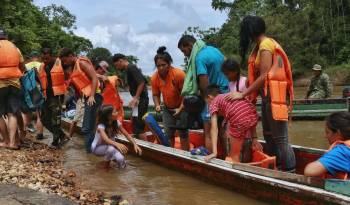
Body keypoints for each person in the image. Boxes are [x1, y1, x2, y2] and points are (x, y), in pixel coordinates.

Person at [227, 16, 296, 171]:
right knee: (269, 135)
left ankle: (291, 171)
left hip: (274, 96)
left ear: (249, 31)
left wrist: (243, 94)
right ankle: (275, 166)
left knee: (280, 138)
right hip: (267, 97)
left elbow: (264, 75)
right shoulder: (259, 47)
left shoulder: (265, 46)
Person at [178, 35, 229, 151]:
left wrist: (204, 98)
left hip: (212, 97)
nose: (184, 54)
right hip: (225, 94)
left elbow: (204, 82)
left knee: (208, 131)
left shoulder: (199, 58)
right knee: (222, 130)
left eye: (183, 51)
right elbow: (227, 64)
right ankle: (225, 155)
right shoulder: (214, 50)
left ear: (190, 46)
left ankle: (210, 161)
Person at [204, 85, 262, 163]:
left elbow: (214, 129)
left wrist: (214, 153)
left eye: (207, 102)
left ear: (209, 97)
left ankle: (236, 169)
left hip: (238, 119)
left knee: (234, 155)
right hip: (253, 114)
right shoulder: (228, 96)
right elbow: (246, 113)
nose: (208, 105)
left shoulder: (214, 102)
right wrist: (254, 138)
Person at [60, 48, 102, 152]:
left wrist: (91, 95)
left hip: (94, 96)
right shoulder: (75, 67)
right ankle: (92, 151)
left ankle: (90, 154)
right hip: (87, 97)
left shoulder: (81, 62)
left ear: (70, 56)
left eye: (65, 60)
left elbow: (94, 78)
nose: (65, 63)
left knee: (86, 128)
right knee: (89, 127)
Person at [151, 46, 189, 150]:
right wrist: (157, 105)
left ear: (169, 64)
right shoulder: (154, 77)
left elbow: (186, 95)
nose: (161, 68)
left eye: (163, 65)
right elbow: (155, 94)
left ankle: (185, 155)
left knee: (183, 133)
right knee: (168, 133)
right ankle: (171, 154)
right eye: (158, 66)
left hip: (182, 107)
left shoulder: (179, 74)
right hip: (167, 108)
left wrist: (180, 109)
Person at [112, 53, 149, 140]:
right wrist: (134, 99)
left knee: (139, 126)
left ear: (121, 61)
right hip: (138, 100)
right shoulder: (129, 69)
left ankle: (145, 148)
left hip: (141, 99)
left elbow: (142, 82)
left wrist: (136, 97)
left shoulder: (131, 67)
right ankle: (138, 144)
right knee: (135, 123)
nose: (117, 68)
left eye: (117, 65)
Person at [304, 112, 350, 178]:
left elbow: (309, 171)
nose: (325, 136)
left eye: (327, 132)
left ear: (338, 133)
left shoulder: (342, 151)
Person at [0, 27, 24, 150]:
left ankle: (5, 140)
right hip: (15, 83)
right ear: (6, 36)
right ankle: (13, 143)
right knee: (12, 113)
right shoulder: (15, 48)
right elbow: (22, 66)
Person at [39, 48, 68, 148]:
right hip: (46, 97)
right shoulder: (42, 66)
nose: (44, 59)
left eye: (46, 57)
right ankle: (62, 135)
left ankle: (55, 142)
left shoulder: (59, 63)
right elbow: (41, 81)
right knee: (44, 119)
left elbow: (69, 72)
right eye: (43, 57)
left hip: (56, 97)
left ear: (51, 55)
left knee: (55, 120)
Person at [22, 51, 44, 139]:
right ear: (38, 57)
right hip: (37, 91)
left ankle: (22, 134)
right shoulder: (41, 65)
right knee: (39, 115)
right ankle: (39, 134)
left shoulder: (26, 66)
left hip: (27, 92)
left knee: (26, 113)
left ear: (31, 57)